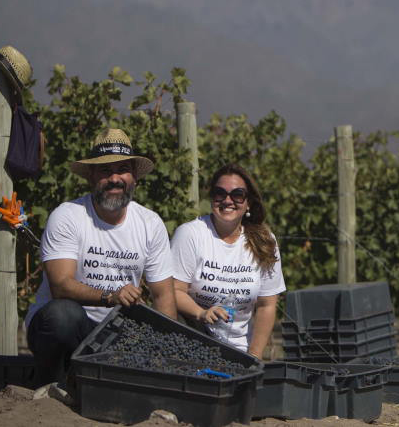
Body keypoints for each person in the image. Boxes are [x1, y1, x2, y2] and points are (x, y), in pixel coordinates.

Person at [25, 128, 177, 387]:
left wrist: (167, 350)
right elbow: (60, 285)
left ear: (135, 177)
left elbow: (164, 295)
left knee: (162, 332)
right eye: (105, 171)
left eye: (122, 170)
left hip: (116, 332)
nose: (114, 178)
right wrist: (111, 296)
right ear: (91, 178)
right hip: (70, 328)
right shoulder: (68, 216)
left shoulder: (150, 224)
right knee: (63, 316)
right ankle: (50, 384)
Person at [170, 163, 286, 358]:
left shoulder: (264, 241)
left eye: (237, 195)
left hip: (240, 351)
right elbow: (174, 291)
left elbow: (267, 305)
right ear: (212, 198)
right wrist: (201, 313)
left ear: (248, 202)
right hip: (194, 346)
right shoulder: (190, 234)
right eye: (220, 193)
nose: (227, 200)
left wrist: (253, 357)